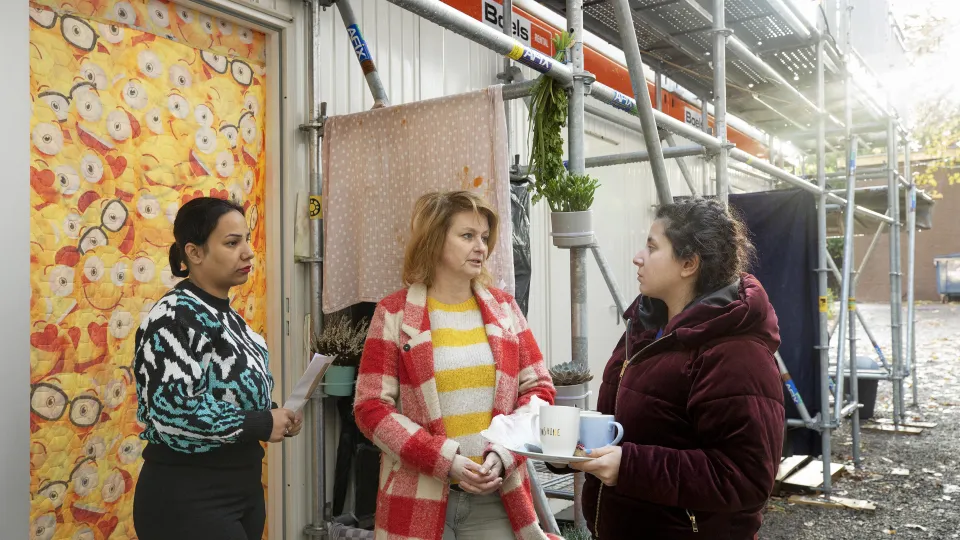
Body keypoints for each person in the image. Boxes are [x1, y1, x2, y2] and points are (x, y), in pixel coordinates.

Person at [569, 198, 785, 539]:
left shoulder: (737, 354)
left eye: (652, 247)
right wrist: (569, 444)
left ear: (688, 263)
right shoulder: (643, 329)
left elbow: (745, 478)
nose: (638, 257)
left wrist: (629, 466)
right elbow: (628, 427)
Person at [354, 191, 560, 540]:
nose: (481, 247)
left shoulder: (505, 309)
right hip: (414, 497)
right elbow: (370, 407)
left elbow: (540, 390)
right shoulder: (394, 313)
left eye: (484, 237)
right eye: (467, 236)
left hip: (497, 500)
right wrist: (444, 459)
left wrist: (505, 453)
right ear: (435, 240)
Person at [133, 197, 302, 540]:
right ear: (194, 253)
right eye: (232, 243)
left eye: (247, 240)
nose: (248, 253)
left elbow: (227, 395)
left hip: (242, 488)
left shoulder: (230, 318)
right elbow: (173, 409)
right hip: (188, 495)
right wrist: (260, 422)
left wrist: (275, 415)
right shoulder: (174, 316)